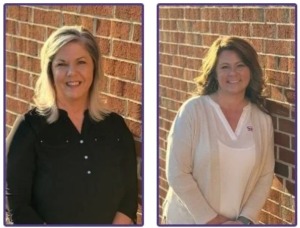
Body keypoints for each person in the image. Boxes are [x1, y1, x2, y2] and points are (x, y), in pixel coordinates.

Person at [6, 25, 138, 225]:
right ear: (50, 70)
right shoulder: (29, 127)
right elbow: (17, 206)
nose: (72, 72)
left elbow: (129, 196)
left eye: (81, 62)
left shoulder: (115, 126)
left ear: (94, 67)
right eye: (61, 64)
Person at [162, 36, 275, 225]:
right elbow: (177, 172)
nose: (233, 73)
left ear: (251, 69)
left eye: (240, 65)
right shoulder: (193, 111)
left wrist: (245, 220)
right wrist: (213, 221)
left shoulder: (262, 120)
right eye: (225, 67)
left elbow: (265, 175)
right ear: (214, 72)